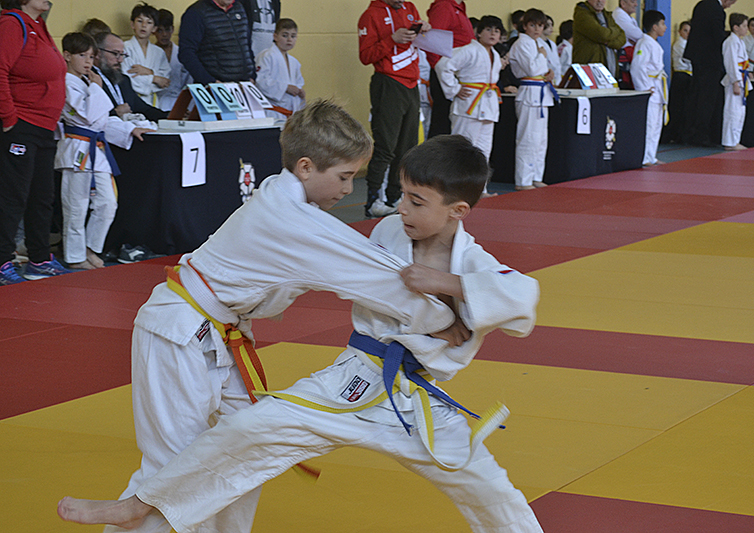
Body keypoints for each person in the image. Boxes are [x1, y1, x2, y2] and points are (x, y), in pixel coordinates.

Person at [57, 134, 544, 533]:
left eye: (417, 201)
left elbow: (523, 297)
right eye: (401, 194)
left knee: (488, 489)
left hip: (420, 398)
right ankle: (141, 504)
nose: (402, 208)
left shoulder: (475, 263)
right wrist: (446, 316)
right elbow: (361, 280)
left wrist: (449, 284)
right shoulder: (388, 233)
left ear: (458, 211)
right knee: (248, 431)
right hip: (354, 379)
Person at [55, 33, 151, 271]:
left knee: (108, 203)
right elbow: (88, 115)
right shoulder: (66, 82)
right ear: (67, 56)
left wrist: (129, 129)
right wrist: (97, 89)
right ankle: (76, 256)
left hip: (97, 150)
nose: (87, 62)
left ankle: (90, 248)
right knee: (76, 206)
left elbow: (102, 121)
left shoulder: (87, 83)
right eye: (81, 56)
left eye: (90, 56)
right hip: (77, 149)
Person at [0, 0, 71, 285]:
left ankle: (39, 259)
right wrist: (8, 117)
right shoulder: (12, 23)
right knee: (12, 196)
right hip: (22, 126)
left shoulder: (38, 25)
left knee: (41, 196)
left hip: (44, 127)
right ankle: (3, 260)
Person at [358, 0, 430, 218]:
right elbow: (365, 56)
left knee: (407, 147)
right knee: (386, 145)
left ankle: (394, 196)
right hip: (388, 82)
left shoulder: (409, 8)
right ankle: (373, 200)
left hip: (411, 83)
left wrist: (425, 31)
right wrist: (391, 40)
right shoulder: (371, 15)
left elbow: (417, 43)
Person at [437, 15, 503, 196]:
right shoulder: (468, 50)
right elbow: (443, 65)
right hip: (468, 105)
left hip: (488, 105)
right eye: (488, 30)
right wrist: (454, 88)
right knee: (462, 150)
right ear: (479, 32)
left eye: (496, 31)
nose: (492, 34)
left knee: (484, 151)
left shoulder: (495, 55)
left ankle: (479, 189)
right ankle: (456, 189)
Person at [509, 8, 555, 190]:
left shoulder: (537, 44)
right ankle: (523, 179)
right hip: (529, 91)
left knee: (541, 139)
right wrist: (542, 57)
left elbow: (542, 69)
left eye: (540, 25)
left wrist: (549, 73)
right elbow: (532, 69)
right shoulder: (522, 43)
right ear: (525, 25)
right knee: (528, 138)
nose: (537, 29)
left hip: (541, 92)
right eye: (532, 25)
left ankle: (536, 175)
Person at [683, 0, 737, 147]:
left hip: (696, 57)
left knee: (696, 95)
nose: (730, 5)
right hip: (710, 60)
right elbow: (717, 36)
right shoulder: (717, 11)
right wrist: (731, 40)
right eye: (731, 2)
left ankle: (689, 132)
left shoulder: (701, 4)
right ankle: (701, 135)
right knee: (707, 99)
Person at [93, 32, 168, 123]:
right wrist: (116, 113)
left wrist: (171, 116)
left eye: (122, 55)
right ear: (98, 53)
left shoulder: (123, 80)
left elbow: (144, 109)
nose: (120, 60)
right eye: (115, 54)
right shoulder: (89, 79)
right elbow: (86, 116)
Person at [178, 0, 256, 85]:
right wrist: (209, 82)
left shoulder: (239, 7)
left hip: (244, 85)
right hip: (216, 87)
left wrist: (252, 76)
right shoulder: (196, 12)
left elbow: (246, 45)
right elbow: (186, 53)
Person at [426, 0, 474, 138]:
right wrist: (443, 74)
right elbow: (432, 42)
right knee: (443, 123)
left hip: (457, 73)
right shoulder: (444, 6)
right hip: (446, 73)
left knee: (452, 122)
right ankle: (436, 159)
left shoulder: (459, 6)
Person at [631, 10, 668, 166]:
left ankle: (651, 156)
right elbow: (637, 67)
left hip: (658, 87)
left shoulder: (653, 43)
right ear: (654, 26)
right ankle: (645, 157)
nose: (665, 27)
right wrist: (644, 87)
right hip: (650, 88)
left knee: (657, 124)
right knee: (650, 124)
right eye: (662, 24)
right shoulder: (644, 43)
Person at [122, 3, 171, 108]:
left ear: (154, 29)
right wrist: (154, 79)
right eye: (140, 21)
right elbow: (128, 78)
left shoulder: (158, 52)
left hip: (153, 101)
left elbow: (165, 80)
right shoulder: (125, 48)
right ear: (132, 24)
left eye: (149, 22)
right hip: (132, 100)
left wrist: (149, 72)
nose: (144, 25)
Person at [255, 18, 305, 120]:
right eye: (285, 35)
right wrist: (285, 88)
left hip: (290, 114)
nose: (289, 39)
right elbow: (260, 82)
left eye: (293, 36)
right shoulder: (266, 56)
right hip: (272, 112)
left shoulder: (294, 62)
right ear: (275, 36)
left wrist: (299, 92)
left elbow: (298, 83)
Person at [572, 0, 626, 78]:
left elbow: (622, 38)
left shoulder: (607, 15)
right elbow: (602, 34)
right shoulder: (582, 14)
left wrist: (608, 42)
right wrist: (614, 32)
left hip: (609, 70)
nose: (600, 1)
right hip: (590, 70)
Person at [721, 12, 751, 151]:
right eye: (744, 26)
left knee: (740, 112)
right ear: (735, 27)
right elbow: (731, 63)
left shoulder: (739, 41)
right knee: (732, 112)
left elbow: (742, 62)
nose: (747, 28)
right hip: (735, 80)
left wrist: (748, 73)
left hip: (742, 77)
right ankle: (729, 142)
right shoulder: (730, 42)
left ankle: (735, 140)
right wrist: (735, 81)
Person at [153, 9, 192, 113]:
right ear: (154, 31)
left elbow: (189, 82)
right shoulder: (150, 54)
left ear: (173, 29)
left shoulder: (182, 52)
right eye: (160, 31)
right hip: (157, 101)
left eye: (167, 29)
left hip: (180, 100)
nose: (164, 34)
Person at [662, 20, 692, 143]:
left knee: (685, 108)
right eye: (685, 30)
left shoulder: (689, 43)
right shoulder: (680, 44)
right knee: (678, 107)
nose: (688, 33)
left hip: (688, 76)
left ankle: (680, 135)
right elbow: (689, 60)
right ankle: (671, 135)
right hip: (681, 76)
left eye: (690, 31)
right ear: (679, 32)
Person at [613, 0, 643, 89]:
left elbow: (639, 38)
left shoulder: (630, 18)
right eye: (633, 2)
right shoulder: (619, 15)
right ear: (623, 3)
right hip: (621, 58)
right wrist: (635, 40)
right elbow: (638, 35)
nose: (636, 5)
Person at [540, 15, 561, 86]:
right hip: (545, 77)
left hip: (557, 78)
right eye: (548, 25)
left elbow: (557, 63)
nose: (551, 28)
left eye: (552, 25)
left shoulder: (552, 43)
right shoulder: (537, 42)